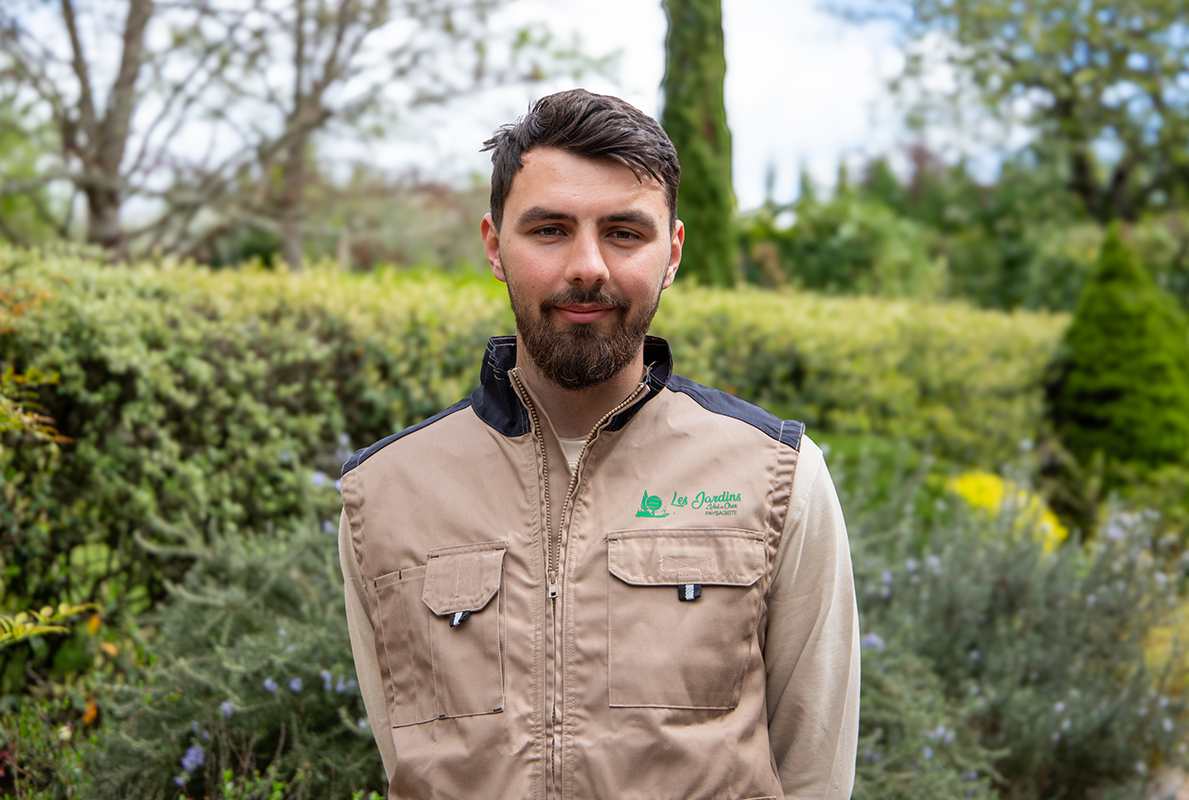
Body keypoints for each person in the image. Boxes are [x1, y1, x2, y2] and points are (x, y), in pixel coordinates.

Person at [338, 88, 860, 800]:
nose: (588, 265)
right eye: (549, 230)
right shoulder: (385, 494)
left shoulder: (777, 475)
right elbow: (406, 759)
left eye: (624, 232)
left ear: (671, 252)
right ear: (495, 246)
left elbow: (815, 775)